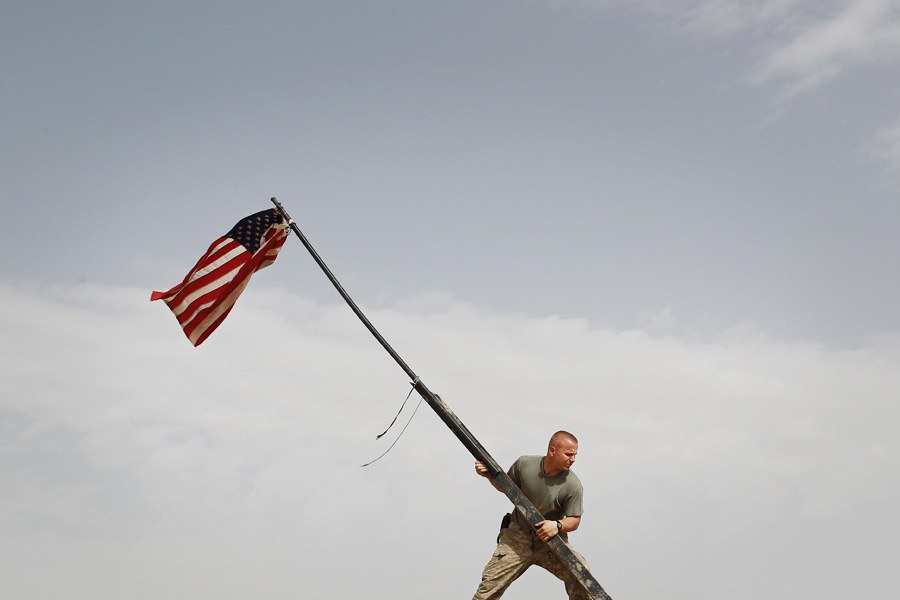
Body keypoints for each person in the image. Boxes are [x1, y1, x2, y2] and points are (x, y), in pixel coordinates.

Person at [471, 430, 591, 600]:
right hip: (517, 538)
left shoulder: (573, 485)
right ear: (552, 450)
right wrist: (489, 475)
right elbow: (506, 487)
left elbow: (574, 521)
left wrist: (556, 525)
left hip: (551, 541)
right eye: (569, 454)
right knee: (487, 590)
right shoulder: (524, 464)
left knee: (582, 576)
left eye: (575, 455)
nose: (573, 459)